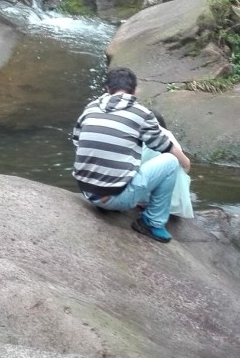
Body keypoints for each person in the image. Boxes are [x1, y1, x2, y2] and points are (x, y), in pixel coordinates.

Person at [71, 66, 191, 243]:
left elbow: (77, 141)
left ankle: (110, 195)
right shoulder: (141, 113)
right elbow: (164, 145)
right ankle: (151, 222)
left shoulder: (90, 108)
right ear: (135, 90)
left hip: (87, 191)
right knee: (171, 162)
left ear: (106, 89)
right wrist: (186, 162)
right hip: (113, 198)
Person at [141, 110, 194, 219]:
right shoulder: (167, 135)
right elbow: (186, 166)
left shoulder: (140, 132)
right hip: (173, 202)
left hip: (140, 192)